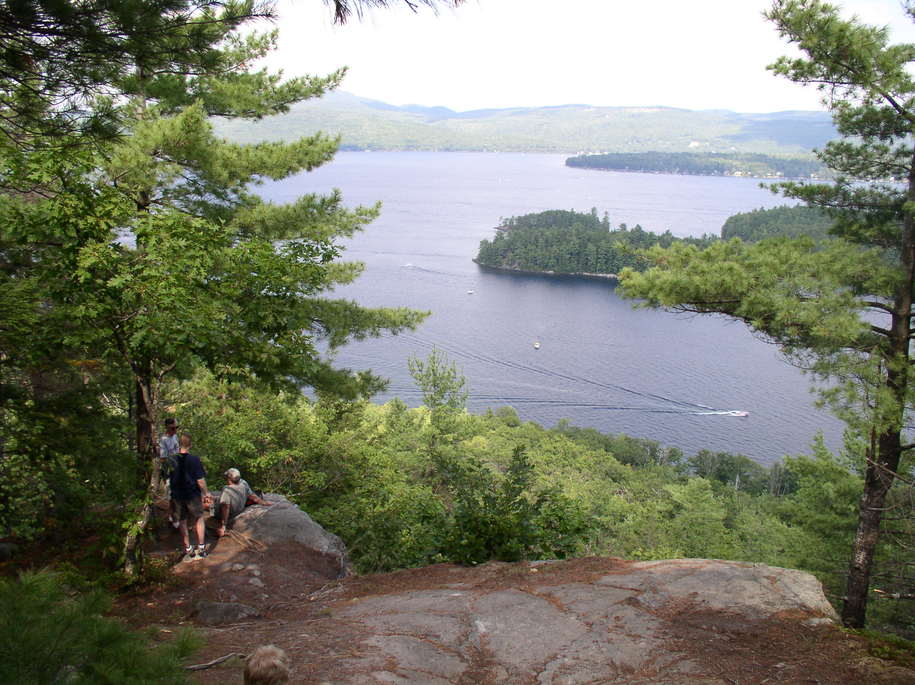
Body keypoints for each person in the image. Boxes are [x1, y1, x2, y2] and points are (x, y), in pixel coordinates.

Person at [169, 432, 211, 560]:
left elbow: (167, 478)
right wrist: (206, 493)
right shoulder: (194, 460)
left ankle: (188, 549)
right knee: (199, 518)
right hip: (192, 494)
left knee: (182, 521)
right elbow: (200, 480)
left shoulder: (171, 460)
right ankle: (202, 548)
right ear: (190, 445)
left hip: (177, 495)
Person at [215, 467, 273, 538]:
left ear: (229, 478)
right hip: (240, 508)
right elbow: (252, 496)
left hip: (231, 513)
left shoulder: (227, 489)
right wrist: (264, 502)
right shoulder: (243, 483)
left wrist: (223, 526)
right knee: (215, 499)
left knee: (208, 504)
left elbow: (225, 507)